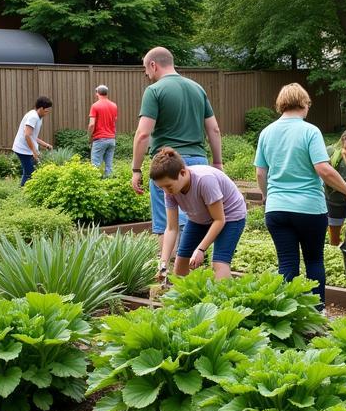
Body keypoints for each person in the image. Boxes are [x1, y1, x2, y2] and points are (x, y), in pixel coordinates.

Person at [255, 83, 346, 306]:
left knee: (286, 264)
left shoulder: (266, 132)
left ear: (281, 104)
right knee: (313, 261)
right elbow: (323, 168)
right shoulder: (310, 131)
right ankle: (317, 313)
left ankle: (286, 312)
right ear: (304, 103)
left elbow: (260, 173)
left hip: (277, 208)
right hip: (309, 208)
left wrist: (267, 196)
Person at [131, 47, 224, 237]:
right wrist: (217, 163)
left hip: (167, 163)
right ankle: (194, 264)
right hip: (199, 162)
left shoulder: (154, 91)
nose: (146, 74)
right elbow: (214, 129)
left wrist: (136, 169)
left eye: (145, 69)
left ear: (153, 65)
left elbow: (142, 134)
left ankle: (168, 265)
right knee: (198, 220)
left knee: (168, 224)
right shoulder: (198, 88)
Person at [150, 147, 247, 281]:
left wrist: (201, 249)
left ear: (183, 173)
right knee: (180, 263)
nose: (166, 191)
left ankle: (225, 300)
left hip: (230, 215)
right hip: (199, 218)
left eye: (168, 186)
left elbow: (219, 220)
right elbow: (172, 228)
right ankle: (186, 300)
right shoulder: (171, 191)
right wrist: (163, 263)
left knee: (219, 263)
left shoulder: (205, 180)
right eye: (161, 188)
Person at [12, 97, 53, 186]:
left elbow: (32, 136)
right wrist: (34, 151)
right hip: (22, 149)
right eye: (46, 111)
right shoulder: (33, 117)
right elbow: (27, 135)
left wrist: (45, 145)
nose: (47, 113)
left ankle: (23, 192)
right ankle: (22, 194)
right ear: (41, 108)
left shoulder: (37, 116)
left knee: (28, 171)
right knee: (30, 174)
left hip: (26, 148)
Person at [87, 84, 118, 176]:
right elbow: (114, 121)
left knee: (95, 166)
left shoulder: (95, 106)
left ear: (97, 93)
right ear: (106, 93)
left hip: (99, 139)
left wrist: (89, 137)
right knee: (109, 166)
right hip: (111, 139)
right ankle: (110, 186)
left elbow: (92, 124)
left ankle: (95, 187)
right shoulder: (114, 106)